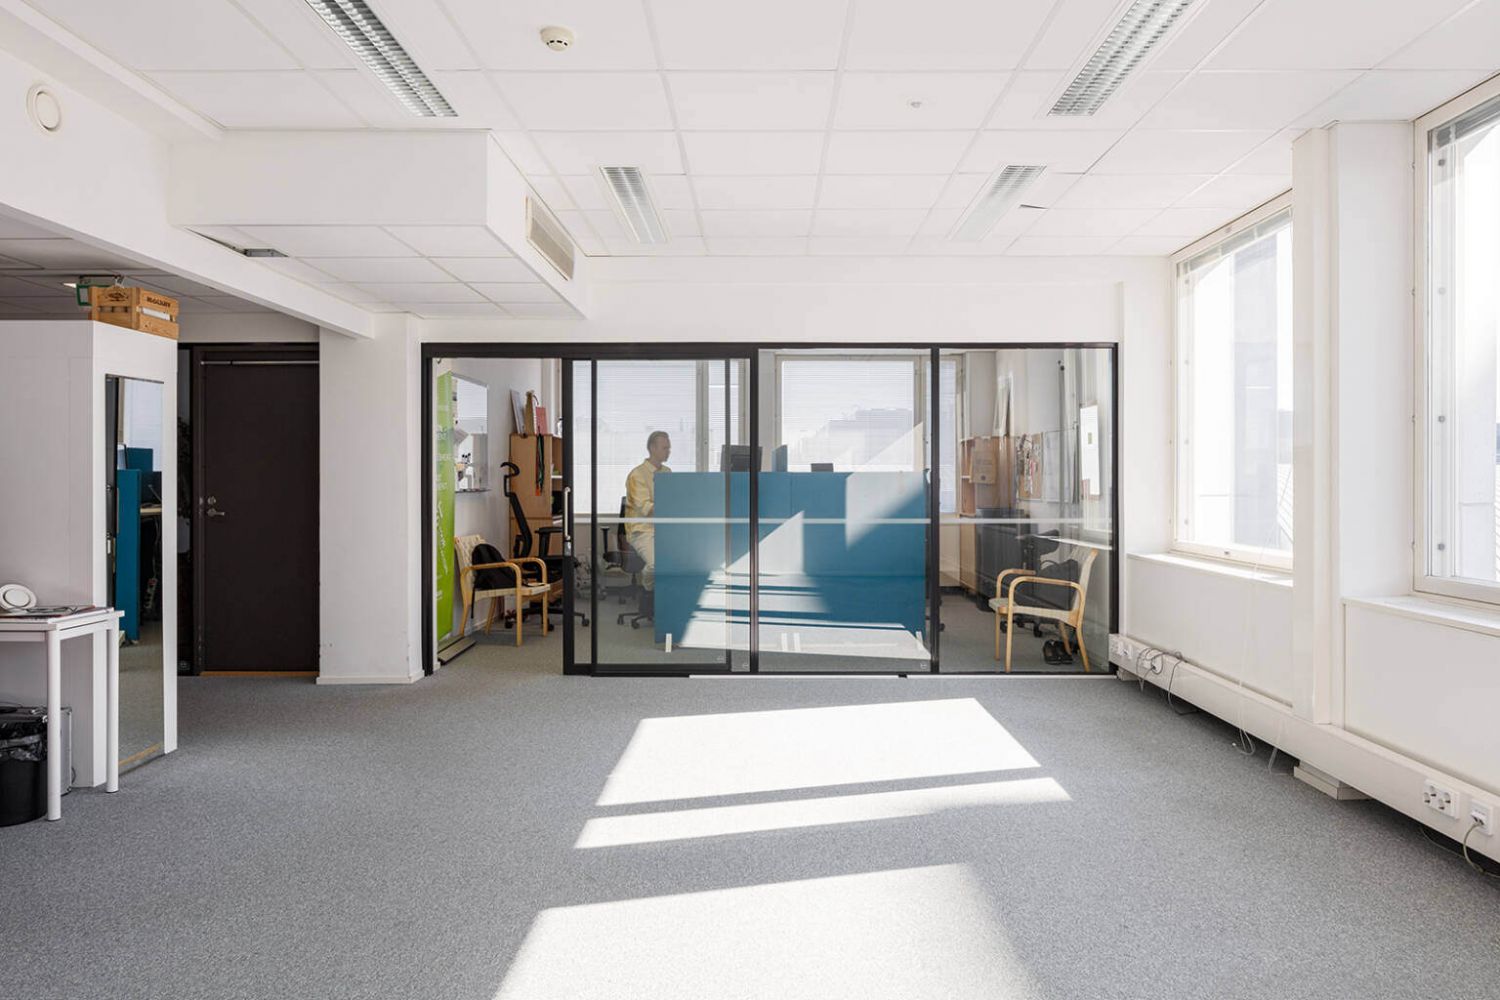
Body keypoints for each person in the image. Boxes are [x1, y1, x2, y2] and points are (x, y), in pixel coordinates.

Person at [624, 431, 671, 590]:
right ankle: (648, 590)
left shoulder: (667, 472)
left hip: (664, 529)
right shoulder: (637, 475)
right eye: (665, 448)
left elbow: (672, 499)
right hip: (642, 531)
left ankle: (667, 595)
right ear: (652, 448)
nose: (668, 451)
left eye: (669, 448)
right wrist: (673, 505)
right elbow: (647, 509)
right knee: (656, 565)